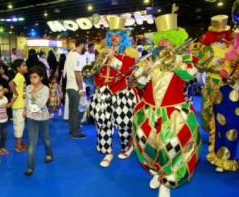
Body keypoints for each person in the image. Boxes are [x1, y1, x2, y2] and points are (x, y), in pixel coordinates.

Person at [132, 11, 202, 197]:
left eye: (167, 39)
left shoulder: (185, 58)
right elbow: (137, 83)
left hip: (173, 114)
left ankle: (167, 182)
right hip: (147, 111)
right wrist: (144, 72)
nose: (163, 42)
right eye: (160, 39)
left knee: (171, 148)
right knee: (147, 144)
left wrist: (173, 59)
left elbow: (189, 75)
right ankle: (156, 172)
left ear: (175, 40)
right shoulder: (149, 58)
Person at [90, 16, 141, 167]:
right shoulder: (103, 52)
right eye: (111, 35)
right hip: (102, 93)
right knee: (103, 123)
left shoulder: (130, 53)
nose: (113, 38)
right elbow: (97, 72)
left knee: (124, 123)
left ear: (123, 37)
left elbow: (126, 71)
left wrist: (112, 58)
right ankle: (107, 152)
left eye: (117, 35)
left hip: (122, 93)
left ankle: (127, 146)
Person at [206, 13, 239, 172]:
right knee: (223, 121)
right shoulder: (230, 50)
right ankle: (222, 156)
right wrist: (221, 67)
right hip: (223, 88)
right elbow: (225, 68)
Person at [197, 15, 232, 132]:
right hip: (212, 83)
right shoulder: (206, 48)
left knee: (227, 110)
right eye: (218, 33)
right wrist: (215, 61)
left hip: (229, 84)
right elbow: (199, 66)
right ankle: (213, 133)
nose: (221, 36)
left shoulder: (231, 47)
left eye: (224, 33)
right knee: (211, 109)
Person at [24, 66, 53, 176]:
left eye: (35, 77)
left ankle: (49, 153)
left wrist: (34, 93)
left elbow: (41, 104)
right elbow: (27, 100)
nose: (32, 80)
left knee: (46, 138)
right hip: (31, 118)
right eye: (31, 77)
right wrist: (24, 110)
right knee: (32, 143)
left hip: (43, 118)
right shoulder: (28, 87)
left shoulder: (45, 89)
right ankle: (30, 167)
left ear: (41, 77)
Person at [63, 38, 88, 139]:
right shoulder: (76, 56)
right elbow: (77, 73)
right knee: (76, 111)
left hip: (71, 86)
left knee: (73, 110)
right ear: (82, 44)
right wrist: (81, 89)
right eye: (86, 46)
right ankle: (75, 133)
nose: (86, 48)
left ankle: (73, 130)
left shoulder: (70, 54)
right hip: (75, 87)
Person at [9, 59, 28, 152]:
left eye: (25, 65)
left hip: (20, 104)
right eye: (23, 65)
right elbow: (11, 84)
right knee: (19, 125)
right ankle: (18, 146)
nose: (26, 67)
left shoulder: (21, 76)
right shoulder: (19, 76)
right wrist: (16, 94)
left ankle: (19, 143)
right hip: (18, 105)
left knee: (20, 125)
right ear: (18, 68)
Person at [0, 84, 16, 155]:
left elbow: (7, 106)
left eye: (2, 90)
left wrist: (12, 101)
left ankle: (2, 147)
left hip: (5, 120)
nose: (2, 91)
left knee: (4, 135)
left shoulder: (5, 98)